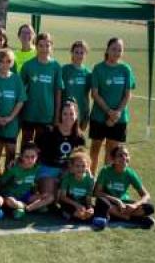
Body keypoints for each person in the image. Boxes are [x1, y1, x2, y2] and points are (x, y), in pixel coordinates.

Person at [89, 37, 134, 174]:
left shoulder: (125, 69)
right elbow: (95, 94)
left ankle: (103, 182)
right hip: (99, 117)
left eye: (120, 50)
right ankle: (91, 178)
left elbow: (127, 94)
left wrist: (117, 114)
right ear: (107, 50)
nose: (116, 52)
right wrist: (109, 112)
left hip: (119, 119)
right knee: (95, 149)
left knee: (111, 151)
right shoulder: (98, 68)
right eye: (114, 49)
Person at [92, 145, 155, 230]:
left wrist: (134, 205)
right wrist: (117, 201)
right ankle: (132, 218)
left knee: (149, 207)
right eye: (120, 155)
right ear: (113, 159)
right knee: (101, 202)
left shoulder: (130, 173)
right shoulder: (105, 171)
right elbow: (96, 192)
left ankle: (116, 216)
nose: (124, 158)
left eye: (126, 155)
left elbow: (146, 195)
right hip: (110, 203)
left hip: (125, 205)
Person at [35, 101, 86, 203]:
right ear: (60, 115)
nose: (68, 117)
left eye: (71, 114)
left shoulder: (79, 137)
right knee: (49, 198)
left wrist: (71, 170)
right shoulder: (49, 131)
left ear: (76, 116)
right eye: (65, 114)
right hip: (48, 169)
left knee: (62, 199)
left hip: (67, 171)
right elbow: (35, 150)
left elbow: (81, 158)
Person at [0, 48, 26, 183]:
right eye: (2, 61)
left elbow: (20, 100)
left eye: (8, 61)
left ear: (12, 62)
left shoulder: (16, 79)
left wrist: (10, 117)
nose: (5, 64)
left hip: (11, 121)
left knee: (10, 149)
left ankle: (6, 176)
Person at [20, 32, 63, 146]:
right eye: (41, 45)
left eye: (47, 45)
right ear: (36, 46)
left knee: (42, 145)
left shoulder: (56, 66)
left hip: (46, 114)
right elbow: (20, 90)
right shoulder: (28, 65)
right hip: (29, 112)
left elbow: (58, 92)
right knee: (26, 144)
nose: (44, 49)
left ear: (51, 46)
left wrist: (57, 115)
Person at [0, 143, 51, 219]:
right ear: (21, 156)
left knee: (50, 197)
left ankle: (25, 208)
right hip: (12, 197)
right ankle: (31, 207)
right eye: (27, 157)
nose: (30, 160)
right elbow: (1, 182)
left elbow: (35, 183)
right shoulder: (13, 169)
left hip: (26, 196)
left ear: (37, 157)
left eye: (33, 157)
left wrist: (37, 192)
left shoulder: (36, 168)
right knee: (10, 201)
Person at [62, 41, 92, 131]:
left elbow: (88, 95)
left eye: (82, 53)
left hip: (81, 112)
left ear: (85, 54)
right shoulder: (64, 70)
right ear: (72, 53)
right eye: (76, 52)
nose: (79, 55)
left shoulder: (88, 73)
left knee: (77, 140)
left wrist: (87, 113)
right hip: (65, 113)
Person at [58, 151, 95, 222]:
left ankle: (81, 216)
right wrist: (76, 205)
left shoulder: (90, 180)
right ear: (71, 167)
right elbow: (62, 197)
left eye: (83, 166)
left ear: (87, 167)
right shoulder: (67, 178)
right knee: (67, 207)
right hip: (70, 202)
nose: (80, 169)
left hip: (82, 203)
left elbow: (88, 198)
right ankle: (79, 216)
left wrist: (90, 208)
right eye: (77, 166)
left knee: (91, 211)